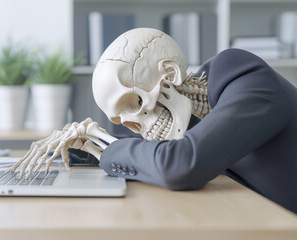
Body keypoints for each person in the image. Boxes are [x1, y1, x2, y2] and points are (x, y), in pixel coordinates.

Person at [98, 48, 297, 214]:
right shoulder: (189, 112)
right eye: (120, 118)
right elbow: (155, 146)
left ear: (170, 75)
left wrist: (112, 152)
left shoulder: (243, 72)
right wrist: (91, 145)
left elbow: (182, 164)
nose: (135, 124)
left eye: (138, 102)